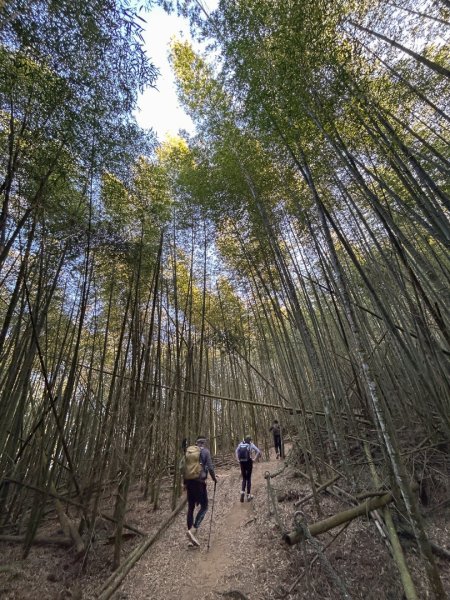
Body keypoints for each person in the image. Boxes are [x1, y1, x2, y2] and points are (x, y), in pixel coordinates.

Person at [184, 436, 218, 547]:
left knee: (191, 508)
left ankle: (190, 538)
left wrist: (184, 482)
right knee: (204, 506)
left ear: (196, 443)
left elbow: (182, 467)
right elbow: (210, 467)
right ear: (204, 443)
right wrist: (214, 478)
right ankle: (193, 529)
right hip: (199, 483)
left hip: (189, 482)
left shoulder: (189, 452)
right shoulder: (206, 452)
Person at [235, 435, 261, 502]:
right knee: (248, 478)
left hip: (242, 462)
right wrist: (254, 459)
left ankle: (242, 492)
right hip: (249, 462)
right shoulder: (251, 444)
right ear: (250, 440)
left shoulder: (241, 444)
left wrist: (238, 460)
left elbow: (236, 451)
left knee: (244, 478)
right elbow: (258, 451)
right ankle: (248, 495)